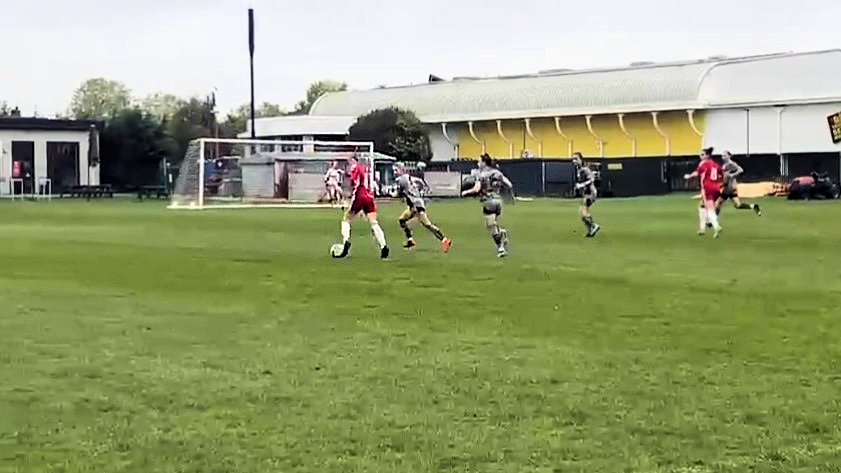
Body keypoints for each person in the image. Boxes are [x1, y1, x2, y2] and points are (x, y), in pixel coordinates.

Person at [333, 155, 389, 259]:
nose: (349, 164)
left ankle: (346, 241)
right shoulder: (368, 169)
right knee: (374, 222)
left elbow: (353, 181)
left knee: (346, 219)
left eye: (350, 162)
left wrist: (347, 177)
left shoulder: (356, 167)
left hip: (360, 195)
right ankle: (383, 246)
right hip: (369, 196)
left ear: (354, 161)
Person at [461, 154, 514, 257]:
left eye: (479, 161)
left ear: (484, 163)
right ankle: (502, 233)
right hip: (498, 201)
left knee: (491, 226)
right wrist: (508, 196)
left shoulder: (481, 175)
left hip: (488, 201)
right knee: (494, 224)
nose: (478, 163)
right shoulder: (497, 173)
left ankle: (501, 248)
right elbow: (509, 185)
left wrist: (465, 192)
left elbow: (476, 189)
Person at [395, 164, 453, 252]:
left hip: (416, 206)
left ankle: (445, 240)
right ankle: (410, 240)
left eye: (397, 170)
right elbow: (422, 185)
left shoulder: (402, 179)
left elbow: (399, 193)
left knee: (427, 224)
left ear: (402, 170)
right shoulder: (412, 178)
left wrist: (392, 194)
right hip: (414, 205)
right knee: (402, 220)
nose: (396, 172)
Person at [684, 147, 723, 237]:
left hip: (707, 188)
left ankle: (716, 226)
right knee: (702, 206)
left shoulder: (704, 163)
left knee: (709, 209)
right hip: (716, 187)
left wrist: (688, 176)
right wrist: (720, 184)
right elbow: (722, 175)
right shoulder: (715, 164)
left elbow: (697, 172)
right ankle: (702, 229)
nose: (700, 156)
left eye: (702, 154)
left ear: (707, 156)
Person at [717, 151, 762, 217]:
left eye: (724, 156)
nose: (723, 157)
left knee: (718, 203)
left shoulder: (731, 164)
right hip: (729, 187)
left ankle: (713, 220)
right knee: (737, 205)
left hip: (729, 188)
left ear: (729, 156)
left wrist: (732, 175)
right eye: (722, 156)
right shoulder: (725, 165)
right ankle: (754, 206)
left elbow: (741, 170)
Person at [572, 153, 601, 238]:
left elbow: (592, 179)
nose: (574, 161)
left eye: (576, 159)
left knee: (583, 212)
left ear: (581, 159)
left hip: (590, 193)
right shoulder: (579, 170)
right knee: (582, 214)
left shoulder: (585, 169)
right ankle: (590, 231)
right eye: (573, 159)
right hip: (586, 193)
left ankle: (594, 226)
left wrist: (582, 185)